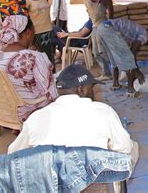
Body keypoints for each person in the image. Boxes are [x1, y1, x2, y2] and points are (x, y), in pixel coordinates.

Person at [8, 64, 139, 166]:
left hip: (51, 183)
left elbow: (13, 154)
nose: (94, 93)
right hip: (95, 182)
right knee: (132, 147)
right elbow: (124, 148)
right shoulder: (105, 111)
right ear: (81, 89)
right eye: (92, 88)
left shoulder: (36, 118)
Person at [69, 0, 141, 97]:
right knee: (111, 54)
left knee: (121, 55)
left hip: (103, 25)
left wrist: (110, 20)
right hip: (98, 27)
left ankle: (129, 87)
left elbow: (108, 2)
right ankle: (118, 83)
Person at [0, 15, 58, 122]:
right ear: (28, 32)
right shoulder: (34, 57)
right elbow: (50, 93)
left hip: (1, 110)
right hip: (28, 113)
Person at [106, 17, 148, 86]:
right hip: (110, 29)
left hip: (104, 27)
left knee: (115, 56)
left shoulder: (135, 34)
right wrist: (137, 71)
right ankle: (130, 88)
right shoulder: (145, 35)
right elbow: (131, 55)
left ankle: (115, 84)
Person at [25, 0, 55, 64]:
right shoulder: (26, 0)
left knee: (50, 59)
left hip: (49, 32)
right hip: (36, 35)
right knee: (41, 61)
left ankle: (52, 77)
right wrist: (31, 39)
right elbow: (26, 21)